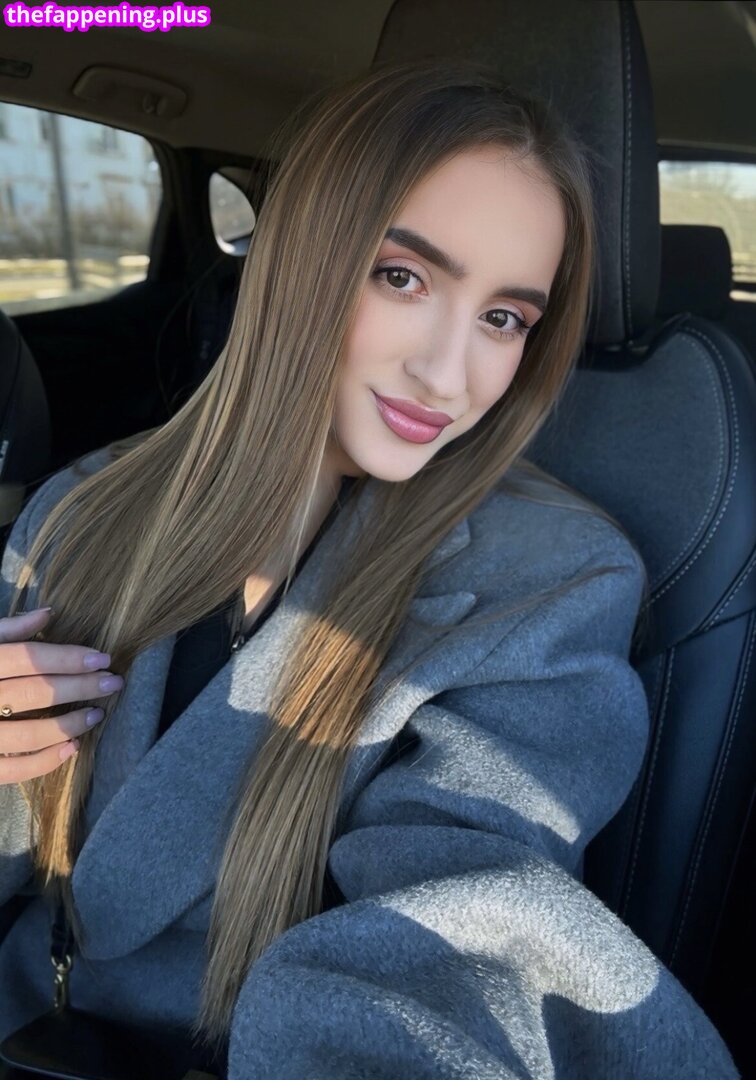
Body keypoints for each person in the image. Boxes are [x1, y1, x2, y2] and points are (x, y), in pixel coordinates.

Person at [0, 57, 739, 1079]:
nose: (447, 374)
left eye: (504, 318)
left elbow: (464, 916)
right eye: (404, 277)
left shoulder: (556, 583)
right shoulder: (80, 510)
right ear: (301, 256)